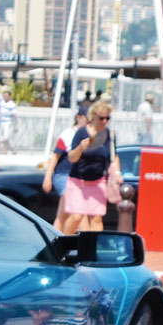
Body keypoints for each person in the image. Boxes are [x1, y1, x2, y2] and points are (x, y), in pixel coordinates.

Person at [61, 98, 117, 233]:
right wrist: (81, 147)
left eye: (107, 118)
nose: (105, 121)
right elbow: (71, 158)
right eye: (102, 118)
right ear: (93, 117)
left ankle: (93, 251)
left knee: (97, 219)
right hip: (78, 181)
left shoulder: (109, 134)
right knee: (76, 216)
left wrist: (117, 172)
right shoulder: (82, 133)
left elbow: (114, 155)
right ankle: (63, 244)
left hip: (97, 181)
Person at [43, 108, 86, 233]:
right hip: (63, 175)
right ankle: (88, 246)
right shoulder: (67, 134)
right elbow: (55, 157)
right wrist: (47, 177)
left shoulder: (90, 134)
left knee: (62, 216)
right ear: (79, 117)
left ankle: (56, 243)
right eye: (87, 117)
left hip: (79, 178)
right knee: (78, 212)